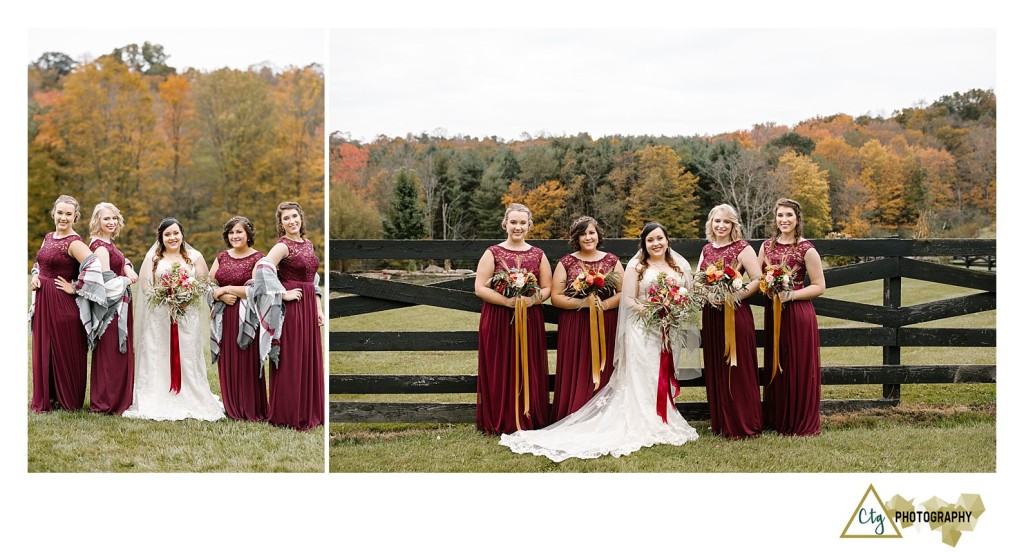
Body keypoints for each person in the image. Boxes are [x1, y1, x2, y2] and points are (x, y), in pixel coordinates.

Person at [499, 222, 700, 461]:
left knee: (661, 372)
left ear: (667, 240)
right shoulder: (637, 265)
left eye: (660, 238)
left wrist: (674, 308)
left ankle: (663, 416)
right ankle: (644, 419)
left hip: (668, 328)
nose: (656, 243)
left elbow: (688, 295)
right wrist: (651, 309)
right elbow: (628, 299)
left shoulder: (680, 265)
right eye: (650, 240)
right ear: (643, 244)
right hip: (642, 329)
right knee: (643, 372)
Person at [123, 218, 225, 421]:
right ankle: (157, 394)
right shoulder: (154, 257)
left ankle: (190, 394)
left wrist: (187, 296)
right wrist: (163, 297)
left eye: (176, 233)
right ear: (161, 237)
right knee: (158, 352)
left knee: (187, 352)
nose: (172, 238)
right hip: (159, 317)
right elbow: (145, 285)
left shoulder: (194, 257)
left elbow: (204, 283)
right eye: (167, 234)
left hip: (187, 316)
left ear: (182, 234)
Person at [474, 203, 552, 434]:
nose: (518, 227)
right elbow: (480, 287)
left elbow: (547, 288)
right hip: (498, 317)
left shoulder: (538, 254)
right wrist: (506, 301)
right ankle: (501, 418)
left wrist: (531, 300)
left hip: (529, 317)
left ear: (529, 226)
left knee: (528, 365)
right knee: (500, 367)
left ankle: (529, 416)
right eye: (513, 222)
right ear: (505, 224)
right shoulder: (492, 253)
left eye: (522, 223)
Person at [252, 202, 324, 431]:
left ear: (301, 217)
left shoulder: (308, 244)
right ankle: (288, 413)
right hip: (292, 308)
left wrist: (318, 308)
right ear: (281, 223)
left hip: (308, 305)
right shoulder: (282, 246)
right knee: (292, 357)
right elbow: (262, 270)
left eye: (294, 216)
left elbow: (313, 279)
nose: (292, 221)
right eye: (286, 218)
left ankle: (308, 409)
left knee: (307, 356)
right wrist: (282, 294)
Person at [758, 198, 826, 436]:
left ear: (797, 219)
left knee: (797, 364)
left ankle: (799, 421)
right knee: (778, 362)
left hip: (798, 313)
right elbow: (757, 278)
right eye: (780, 215)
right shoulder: (766, 247)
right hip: (774, 312)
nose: (784, 220)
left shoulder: (807, 249)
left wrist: (791, 295)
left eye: (789, 215)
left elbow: (819, 286)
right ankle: (778, 419)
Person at [697, 204, 762, 438]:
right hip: (712, 314)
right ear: (711, 223)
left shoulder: (742, 248)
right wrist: (707, 295)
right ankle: (722, 422)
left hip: (735, 313)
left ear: (733, 224)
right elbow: (698, 280)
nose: (721, 225)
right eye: (717, 221)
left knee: (737, 367)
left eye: (726, 222)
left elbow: (757, 279)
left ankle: (743, 423)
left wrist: (734, 296)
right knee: (717, 366)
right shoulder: (706, 249)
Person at [550, 216, 623, 421]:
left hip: (606, 322)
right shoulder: (566, 262)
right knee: (578, 366)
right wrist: (584, 303)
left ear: (598, 235)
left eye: (591, 233)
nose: (588, 237)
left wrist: (603, 305)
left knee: (605, 365)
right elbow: (556, 297)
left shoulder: (612, 261)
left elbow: (623, 292)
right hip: (576, 324)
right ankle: (574, 411)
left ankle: (604, 416)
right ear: (576, 238)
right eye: (583, 234)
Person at [29, 195, 92, 412]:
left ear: (75, 217)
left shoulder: (75, 243)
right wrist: (35, 276)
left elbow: (94, 268)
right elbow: (40, 263)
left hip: (63, 304)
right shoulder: (48, 237)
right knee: (45, 348)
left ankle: (68, 400)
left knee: (64, 350)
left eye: (68, 214)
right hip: (43, 300)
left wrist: (76, 287)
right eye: (60, 213)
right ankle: (49, 397)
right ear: (53, 213)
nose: (63, 217)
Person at [209, 216, 266, 422]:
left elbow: (257, 289)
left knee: (246, 362)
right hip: (224, 316)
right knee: (228, 362)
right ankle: (231, 405)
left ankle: (250, 407)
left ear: (248, 234)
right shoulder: (222, 257)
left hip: (247, 318)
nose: (235, 236)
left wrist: (227, 288)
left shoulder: (258, 258)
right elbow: (208, 284)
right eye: (231, 232)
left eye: (239, 232)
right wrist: (220, 295)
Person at [84, 202, 138, 414]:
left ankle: (119, 398)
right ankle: (107, 401)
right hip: (111, 309)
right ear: (97, 220)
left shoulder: (108, 243)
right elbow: (106, 284)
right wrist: (127, 279)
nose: (111, 222)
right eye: (106, 218)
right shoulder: (100, 246)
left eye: (114, 218)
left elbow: (121, 262)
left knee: (117, 352)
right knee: (111, 352)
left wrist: (127, 266)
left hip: (120, 305)